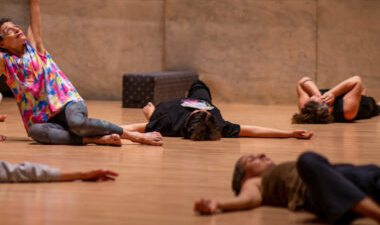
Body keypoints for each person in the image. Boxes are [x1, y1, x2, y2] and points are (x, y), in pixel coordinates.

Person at [0, 0, 162, 147]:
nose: (17, 30)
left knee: (77, 123)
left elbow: (33, 0)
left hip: (67, 102)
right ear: (1, 43)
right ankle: (97, 138)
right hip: (43, 119)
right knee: (35, 133)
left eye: (16, 27)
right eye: (9, 31)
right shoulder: (1, 61)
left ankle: (132, 136)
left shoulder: (34, 45)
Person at [194, 151, 380, 225]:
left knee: (371, 171)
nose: (261, 154)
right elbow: (248, 199)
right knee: (307, 159)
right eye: (252, 160)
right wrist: (218, 204)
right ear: (244, 179)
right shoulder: (255, 183)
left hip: (350, 179)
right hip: (317, 194)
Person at [123, 80, 313, 141]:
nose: (206, 113)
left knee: (154, 115)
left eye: (200, 113)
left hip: (169, 108)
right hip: (201, 100)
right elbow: (253, 131)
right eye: (207, 114)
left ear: (189, 119)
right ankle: (152, 114)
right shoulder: (219, 125)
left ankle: (151, 113)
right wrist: (289, 134)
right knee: (199, 84)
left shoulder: (168, 123)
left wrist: (97, 129)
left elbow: (130, 127)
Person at [293, 75, 380, 124]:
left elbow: (302, 81)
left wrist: (316, 93)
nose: (312, 96)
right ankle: (359, 96)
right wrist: (333, 93)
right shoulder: (346, 111)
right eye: (317, 97)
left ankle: (355, 94)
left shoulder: (306, 108)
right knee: (375, 106)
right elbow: (357, 80)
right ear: (328, 106)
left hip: (343, 97)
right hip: (362, 106)